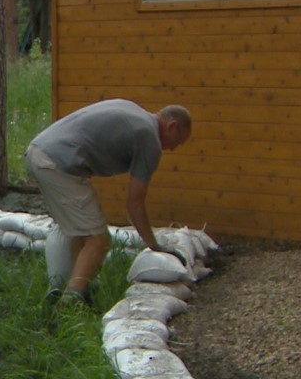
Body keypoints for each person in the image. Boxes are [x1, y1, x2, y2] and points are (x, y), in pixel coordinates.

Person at [26, 99, 191, 306]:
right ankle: (69, 304)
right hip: (58, 164)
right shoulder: (150, 139)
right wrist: (155, 245)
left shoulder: (135, 112)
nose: (174, 149)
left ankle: (73, 287)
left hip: (39, 151)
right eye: (178, 141)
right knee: (99, 239)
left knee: (81, 232)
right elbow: (135, 203)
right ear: (172, 126)